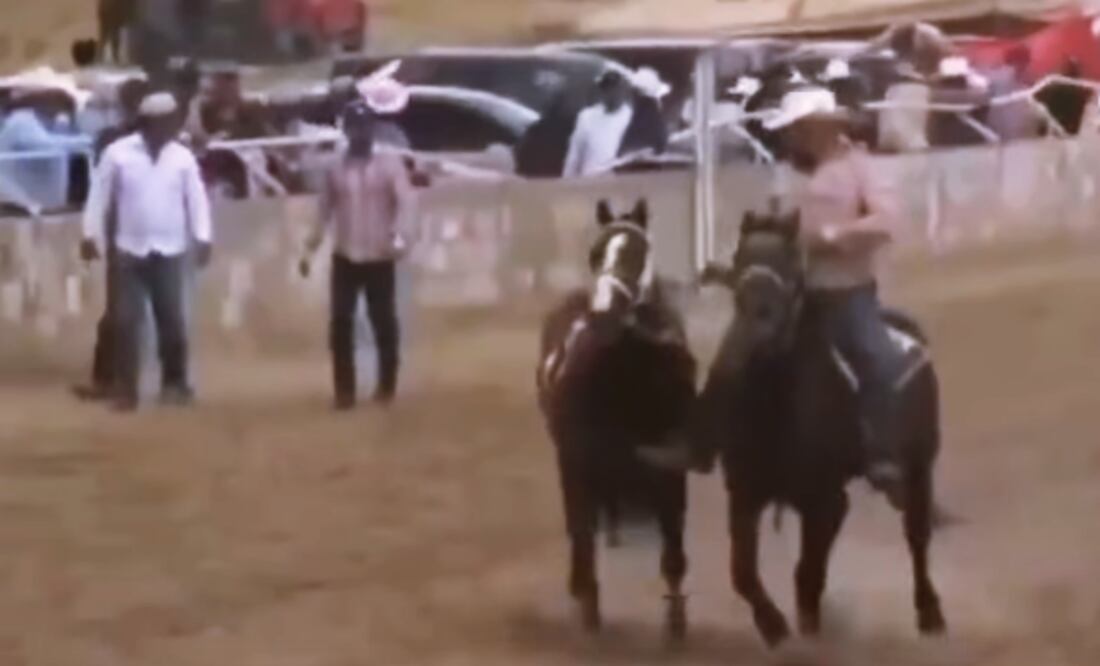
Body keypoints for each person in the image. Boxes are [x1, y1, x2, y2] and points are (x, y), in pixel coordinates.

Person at [768, 87, 905, 500]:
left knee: (879, 359)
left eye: (797, 129)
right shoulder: (797, 173)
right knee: (745, 353)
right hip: (795, 290)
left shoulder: (861, 168)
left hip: (847, 293)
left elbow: (888, 220)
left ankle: (882, 451)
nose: (791, 137)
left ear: (819, 128)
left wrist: (834, 234)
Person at [80, 92, 214, 412]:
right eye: (164, 122)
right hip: (129, 248)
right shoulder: (118, 154)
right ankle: (126, 389)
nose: (169, 128)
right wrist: (90, 234)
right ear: (150, 122)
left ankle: (175, 383)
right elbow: (99, 196)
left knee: (171, 319)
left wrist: (203, 236)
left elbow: (197, 199)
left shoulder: (182, 157)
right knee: (125, 321)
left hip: (170, 247)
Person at [299, 101, 416, 410]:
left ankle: (386, 386)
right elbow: (324, 211)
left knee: (383, 322)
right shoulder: (336, 169)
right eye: (355, 127)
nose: (360, 133)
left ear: (372, 129)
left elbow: (405, 202)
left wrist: (399, 234)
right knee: (340, 323)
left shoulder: (389, 165)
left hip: (379, 254)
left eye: (365, 127)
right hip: (346, 254)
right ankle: (344, 391)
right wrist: (309, 248)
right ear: (347, 130)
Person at [72, 78, 150, 402]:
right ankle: (111, 379)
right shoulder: (112, 141)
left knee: (129, 312)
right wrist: (92, 232)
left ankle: (116, 379)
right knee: (121, 312)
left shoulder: (157, 141)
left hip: (144, 233)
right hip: (124, 236)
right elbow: (100, 191)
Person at [563, 69, 634, 177]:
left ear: (624, 90)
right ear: (602, 91)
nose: (612, 92)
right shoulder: (586, 117)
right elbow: (575, 154)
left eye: (615, 88)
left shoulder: (632, 118)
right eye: (607, 88)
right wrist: (566, 181)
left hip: (616, 182)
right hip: (588, 181)